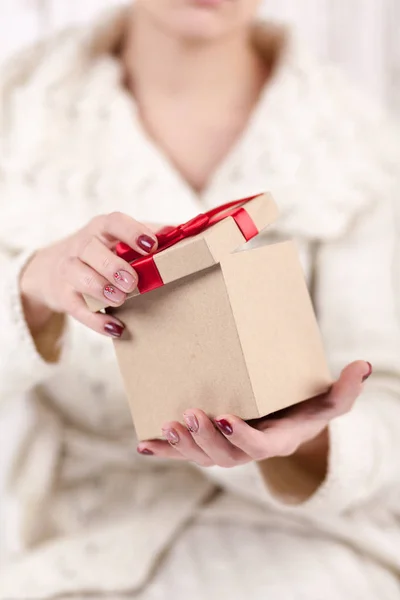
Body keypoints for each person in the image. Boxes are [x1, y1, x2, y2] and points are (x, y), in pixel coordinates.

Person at [0, 1, 400, 598]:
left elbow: (387, 400)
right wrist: (32, 286)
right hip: (67, 533)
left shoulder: (357, 145)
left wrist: (306, 443)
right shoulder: (19, 112)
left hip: (298, 541)